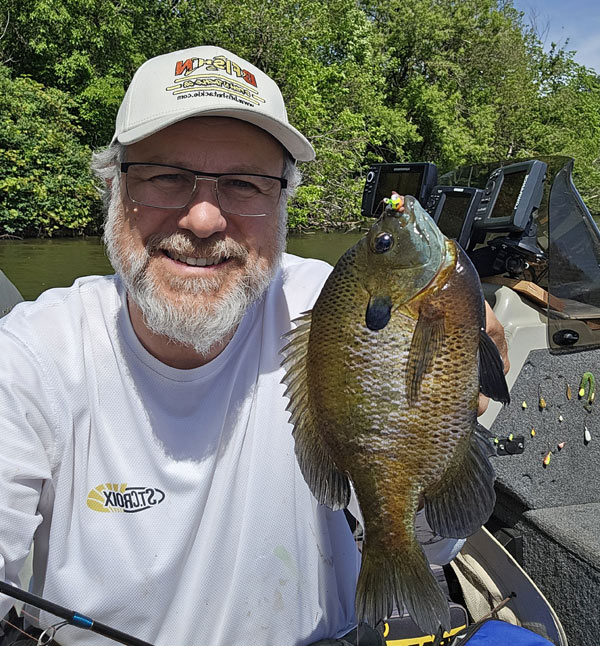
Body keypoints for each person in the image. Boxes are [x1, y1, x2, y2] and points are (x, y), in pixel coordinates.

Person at [0, 45, 508, 646]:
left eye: (245, 184)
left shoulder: (330, 311)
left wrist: (451, 409)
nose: (205, 219)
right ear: (112, 187)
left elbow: (432, 540)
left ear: (283, 202)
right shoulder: (30, 357)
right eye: (167, 176)